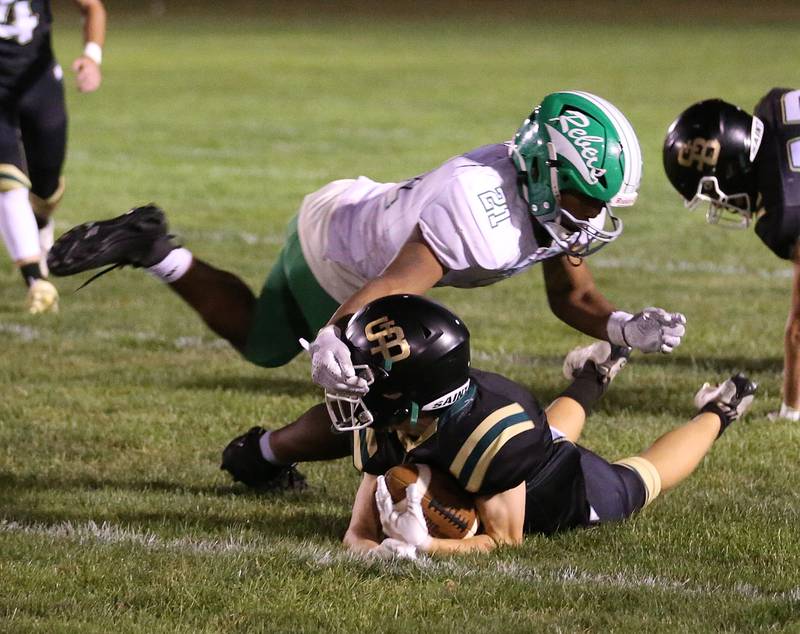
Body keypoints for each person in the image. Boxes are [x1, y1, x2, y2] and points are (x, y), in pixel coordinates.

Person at [49, 90, 686, 488]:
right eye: (584, 196)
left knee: (308, 364)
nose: (592, 216)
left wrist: (621, 326)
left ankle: (155, 249)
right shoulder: (477, 213)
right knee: (368, 396)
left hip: (372, 239)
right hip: (340, 253)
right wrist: (332, 338)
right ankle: (260, 456)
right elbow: (390, 287)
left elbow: (571, 295)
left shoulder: (541, 193)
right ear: (546, 172)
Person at [334, 294, 756, 558]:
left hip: (558, 489)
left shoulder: (491, 433)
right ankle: (594, 373)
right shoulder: (387, 412)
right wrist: (372, 551)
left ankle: (721, 409)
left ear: (414, 389)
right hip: (517, 445)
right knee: (546, 436)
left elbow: (505, 541)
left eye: (368, 377)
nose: (354, 387)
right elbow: (359, 530)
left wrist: (427, 546)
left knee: (640, 479)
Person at [663, 88, 800, 421]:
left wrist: (792, 409)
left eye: (712, 191)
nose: (721, 202)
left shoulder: (789, 206)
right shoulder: (777, 106)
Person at [0, 0, 106, 313]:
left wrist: (91, 57)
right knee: (7, 179)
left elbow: (92, 7)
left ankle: (41, 222)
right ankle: (37, 281)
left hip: (39, 82)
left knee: (45, 184)